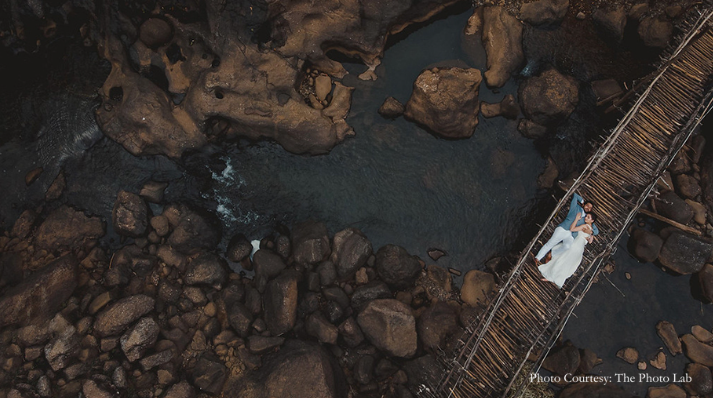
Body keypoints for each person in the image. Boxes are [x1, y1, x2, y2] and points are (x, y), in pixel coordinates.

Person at [535, 193, 598, 265]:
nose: (588, 208)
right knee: (551, 243)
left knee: (567, 246)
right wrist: (582, 201)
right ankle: (537, 258)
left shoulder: (587, 218)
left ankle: (552, 254)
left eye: (590, 208)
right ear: (583, 205)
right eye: (587, 206)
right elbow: (575, 195)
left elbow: (596, 231)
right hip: (563, 229)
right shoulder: (575, 207)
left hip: (571, 235)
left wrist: (591, 232)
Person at [538, 212, 597, 288]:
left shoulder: (585, 226)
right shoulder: (591, 230)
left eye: (588, 217)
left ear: (592, 220)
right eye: (586, 216)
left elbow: (572, 229)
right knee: (567, 263)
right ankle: (555, 277)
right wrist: (591, 234)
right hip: (580, 249)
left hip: (576, 245)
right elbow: (590, 241)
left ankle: (551, 276)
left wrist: (576, 219)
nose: (585, 218)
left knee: (562, 259)